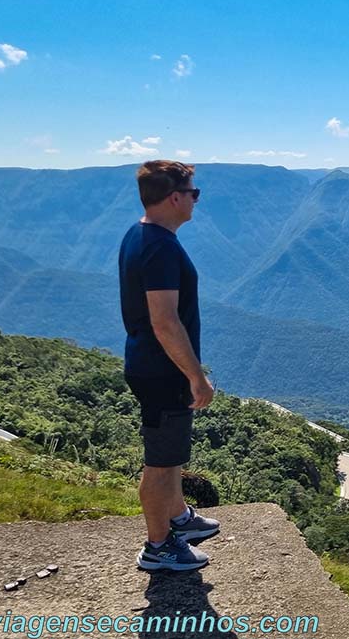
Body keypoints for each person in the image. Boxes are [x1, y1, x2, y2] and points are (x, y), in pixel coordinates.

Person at [118, 160, 219, 571]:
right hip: (162, 370)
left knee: (172, 453)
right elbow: (164, 321)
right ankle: (158, 547)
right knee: (160, 463)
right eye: (194, 193)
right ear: (175, 198)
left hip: (152, 365)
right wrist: (196, 375)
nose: (196, 200)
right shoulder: (160, 246)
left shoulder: (141, 234)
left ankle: (178, 516)